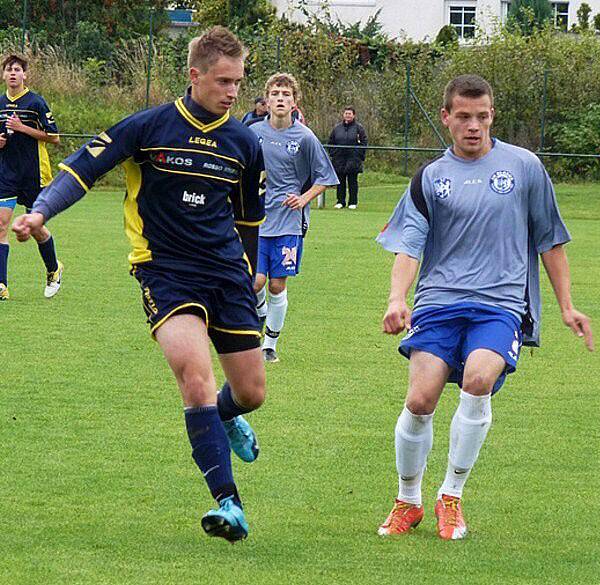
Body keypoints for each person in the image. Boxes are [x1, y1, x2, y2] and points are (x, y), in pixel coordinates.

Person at [13, 26, 267, 542]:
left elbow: (247, 222)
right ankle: (229, 503)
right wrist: (40, 211)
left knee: (251, 392)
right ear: (195, 76)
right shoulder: (148, 127)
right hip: (165, 271)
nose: (234, 91)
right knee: (194, 377)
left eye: (239, 81)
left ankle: (225, 417)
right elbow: (79, 170)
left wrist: (251, 275)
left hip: (227, 276)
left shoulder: (244, 143)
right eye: (224, 81)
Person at [375, 75, 593, 540]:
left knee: (478, 380)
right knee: (419, 400)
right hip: (438, 303)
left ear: (492, 115)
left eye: (483, 116)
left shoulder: (525, 167)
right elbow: (409, 247)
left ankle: (450, 497)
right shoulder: (430, 178)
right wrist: (397, 299)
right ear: (446, 118)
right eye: (464, 117)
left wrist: (567, 306)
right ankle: (407, 500)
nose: (474, 126)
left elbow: (550, 240)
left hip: (501, 304)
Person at [248, 73, 338, 363]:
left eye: (286, 94)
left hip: (289, 221)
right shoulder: (252, 132)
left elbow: (325, 178)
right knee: (255, 282)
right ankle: (260, 318)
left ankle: (270, 344)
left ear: (294, 101)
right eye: (275, 94)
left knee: (276, 284)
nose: (280, 99)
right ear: (267, 99)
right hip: (257, 218)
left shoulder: (304, 137)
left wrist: (303, 198)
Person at [0, 54, 62, 301]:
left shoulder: (36, 102)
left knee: (35, 227)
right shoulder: (0, 103)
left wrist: (23, 128)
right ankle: (1, 285)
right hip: (6, 174)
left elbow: (54, 137)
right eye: (8, 70)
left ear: (25, 75)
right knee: (1, 225)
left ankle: (53, 269)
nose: (13, 73)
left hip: (34, 174)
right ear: (4, 75)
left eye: (17, 69)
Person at [328, 106, 367, 209]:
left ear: (353, 115)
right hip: (339, 159)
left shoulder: (359, 128)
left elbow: (363, 143)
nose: (347, 115)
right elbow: (331, 142)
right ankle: (340, 201)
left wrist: (357, 155)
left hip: (353, 159)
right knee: (340, 182)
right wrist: (334, 153)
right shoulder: (337, 128)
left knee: (352, 181)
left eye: (349, 114)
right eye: (346, 113)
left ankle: (353, 202)